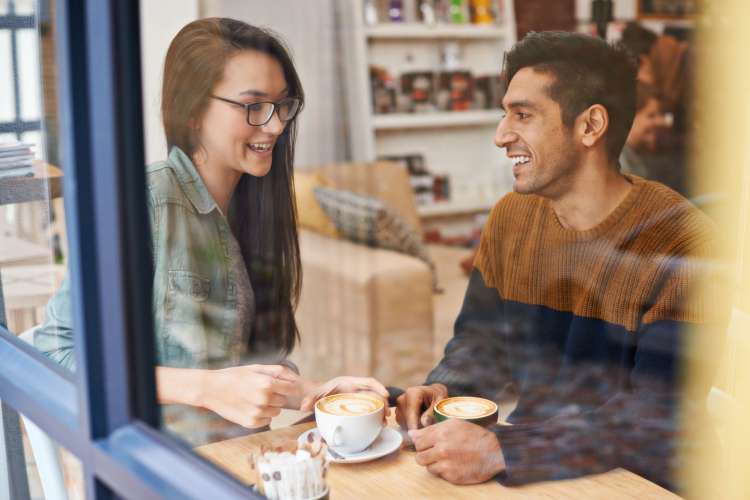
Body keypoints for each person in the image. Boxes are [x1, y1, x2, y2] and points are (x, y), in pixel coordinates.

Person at [33, 18, 387, 445]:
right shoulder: (146, 201)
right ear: (193, 111)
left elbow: (243, 366)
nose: (275, 126)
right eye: (253, 106)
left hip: (241, 460)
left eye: (282, 105)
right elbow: (55, 353)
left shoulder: (258, 208)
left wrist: (312, 392)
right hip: (165, 464)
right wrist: (206, 387)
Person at [396, 31, 719, 491]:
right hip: (541, 460)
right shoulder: (512, 217)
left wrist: (503, 451)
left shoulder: (684, 241)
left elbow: (656, 415)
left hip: (646, 480)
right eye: (505, 114)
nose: (501, 136)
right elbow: (482, 342)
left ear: (590, 126)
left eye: (522, 115)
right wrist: (446, 391)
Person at [619, 82, 669, 178]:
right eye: (651, 116)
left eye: (660, 115)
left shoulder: (635, 160)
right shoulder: (618, 163)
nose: (660, 122)